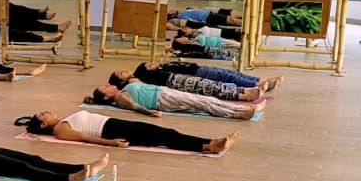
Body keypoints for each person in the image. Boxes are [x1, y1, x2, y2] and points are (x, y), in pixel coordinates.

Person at [16, 110, 236, 156]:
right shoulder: (60, 129)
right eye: (42, 115)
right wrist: (110, 143)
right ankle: (208, 146)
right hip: (111, 130)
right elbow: (84, 139)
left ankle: (209, 142)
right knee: (163, 137)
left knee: (163, 132)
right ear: (44, 125)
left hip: (113, 122)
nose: (46, 112)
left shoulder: (63, 120)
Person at [87, 80, 263, 121]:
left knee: (204, 98)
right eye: (105, 88)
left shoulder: (125, 88)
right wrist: (149, 112)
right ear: (106, 96)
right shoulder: (119, 97)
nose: (108, 85)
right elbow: (134, 106)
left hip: (164, 92)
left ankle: (238, 107)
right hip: (162, 100)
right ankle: (235, 114)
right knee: (201, 104)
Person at [117, 60, 281, 96]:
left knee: (226, 74)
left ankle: (257, 81)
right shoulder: (137, 77)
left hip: (185, 72)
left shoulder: (142, 71)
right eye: (120, 74)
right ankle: (251, 87)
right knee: (217, 82)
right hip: (180, 79)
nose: (123, 70)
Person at [105, 68, 263, 104]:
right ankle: (242, 95)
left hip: (175, 78)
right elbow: (146, 88)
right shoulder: (133, 82)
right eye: (120, 74)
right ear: (121, 81)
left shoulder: (137, 75)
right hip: (173, 84)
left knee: (208, 84)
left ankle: (243, 90)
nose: (124, 71)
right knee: (207, 88)